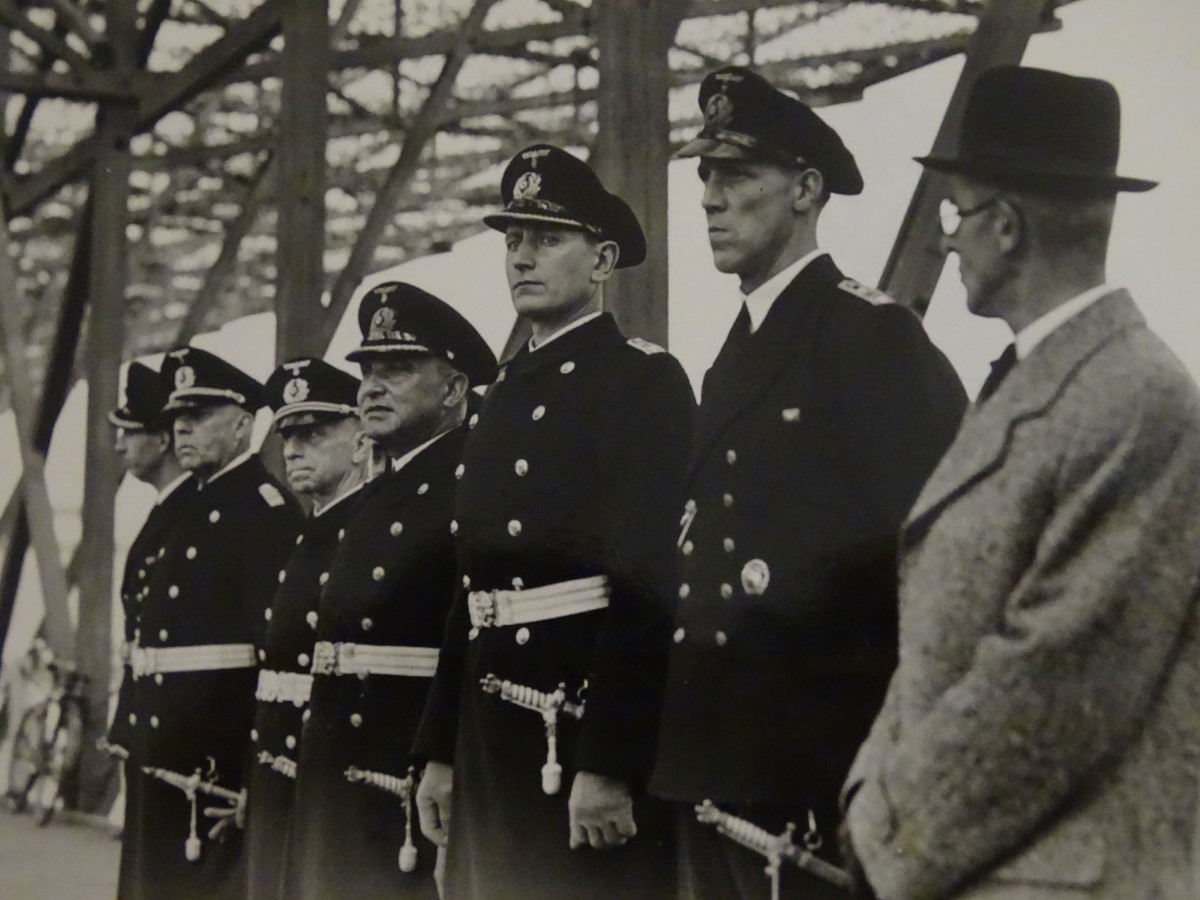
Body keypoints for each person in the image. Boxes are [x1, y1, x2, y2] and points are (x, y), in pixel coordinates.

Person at [841, 66, 1200, 900]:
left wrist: (889, 832)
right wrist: (871, 800)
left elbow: (1053, 685)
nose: (946, 240)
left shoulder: (1140, 397)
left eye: (954, 214)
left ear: (1005, 226)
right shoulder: (1034, 379)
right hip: (978, 865)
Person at [649, 66, 967, 900]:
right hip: (714, 765)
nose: (711, 198)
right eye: (705, 176)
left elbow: (943, 571)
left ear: (805, 189)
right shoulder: (734, 355)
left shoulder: (872, 340)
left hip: (811, 778)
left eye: (738, 175)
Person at [414, 144, 696, 900]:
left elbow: (649, 586)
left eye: (546, 239)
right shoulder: (498, 396)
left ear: (602, 259)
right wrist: (438, 750)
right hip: (487, 733)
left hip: (568, 732)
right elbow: (465, 592)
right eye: (512, 241)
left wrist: (607, 760)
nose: (522, 259)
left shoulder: (642, 381)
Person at [283, 282, 497, 900]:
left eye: (396, 370)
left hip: (400, 761)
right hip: (337, 756)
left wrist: (442, 757)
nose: (371, 387)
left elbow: (471, 640)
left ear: (454, 389)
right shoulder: (374, 494)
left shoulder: (469, 482)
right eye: (368, 371)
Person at [123, 346, 302, 900]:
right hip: (166, 750)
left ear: (244, 425)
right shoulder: (191, 507)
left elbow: (276, 655)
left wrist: (253, 774)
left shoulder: (262, 509)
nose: (182, 430)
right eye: (177, 419)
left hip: (215, 758)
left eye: (199, 417)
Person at [244, 358, 369, 900]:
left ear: (362, 443)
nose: (293, 448)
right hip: (279, 763)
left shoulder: (368, 533)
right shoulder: (309, 533)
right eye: (288, 435)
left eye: (314, 434)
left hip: (335, 773)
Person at [104, 361, 195, 899]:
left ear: (162, 439)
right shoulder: (168, 511)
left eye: (129, 433)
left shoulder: (190, 513)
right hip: (149, 717)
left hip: (178, 729)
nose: (119, 445)